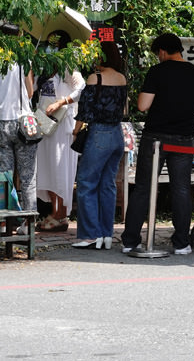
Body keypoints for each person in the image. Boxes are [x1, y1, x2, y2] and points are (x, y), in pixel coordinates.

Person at [121, 33, 194, 255]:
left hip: (156, 137)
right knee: (181, 188)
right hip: (185, 138)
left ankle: (131, 240)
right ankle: (182, 243)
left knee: (143, 187)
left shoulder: (157, 72)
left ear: (161, 51)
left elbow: (142, 105)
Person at [71, 41, 128, 249]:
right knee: (108, 184)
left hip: (99, 134)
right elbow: (123, 110)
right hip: (117, 135)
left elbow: (84, 110)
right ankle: (106, 234)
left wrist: (76, 132)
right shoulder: (121, 78)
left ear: (101, 56)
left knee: (86, 182)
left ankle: (89, 235)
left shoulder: (96, 78)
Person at [34, 30, 86, 232]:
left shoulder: (67, 66)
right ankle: (54, 211)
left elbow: (81, 89)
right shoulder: (46, 67)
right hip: (46, 123)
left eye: (54, 44)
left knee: (60, 167)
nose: (51, 47)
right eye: (49, 43)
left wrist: (62, 102)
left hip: (62, 124)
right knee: (47, 168)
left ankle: (61, 213)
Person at [0, 61, 38, 218]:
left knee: (3, 176)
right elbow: (30, 92)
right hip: (24, 123)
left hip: (0, 122)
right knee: (28, 177)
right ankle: (29, 222)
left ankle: (3, 220)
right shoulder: (24, 61)